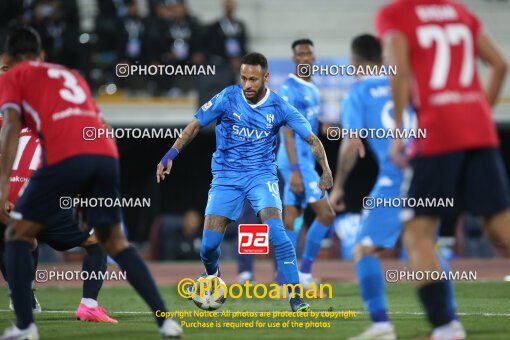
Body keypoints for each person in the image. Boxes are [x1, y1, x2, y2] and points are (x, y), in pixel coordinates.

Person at [0, 25, 182, 339]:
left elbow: (10, 129)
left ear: (11, 59)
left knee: (17, 235)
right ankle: (166, 321)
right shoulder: (71, 76)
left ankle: (26, 325)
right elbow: (97, 123)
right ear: (42, 54)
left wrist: (4, 183)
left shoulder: (14, 76)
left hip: (65, 156)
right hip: (105, 153)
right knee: (114, 243)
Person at [157, 52, 333, 312]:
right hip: (226, 178)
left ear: (266, 77)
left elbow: (312, 139)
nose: (248, 84)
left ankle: (296, 298)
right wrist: (171, 154)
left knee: (278, 234)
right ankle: (213, 276)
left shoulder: (279, 107)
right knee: (208, 247)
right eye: (244, 78)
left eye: (253, 79)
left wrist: (326, 170)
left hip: (262, 177)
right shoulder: (228, 97)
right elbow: (194, 125)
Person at [376, 0, 509, 338]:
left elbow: (400, 70)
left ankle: (445, 326)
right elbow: (499, 64)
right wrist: (478, 110)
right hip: (479, 129)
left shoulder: (396, 13)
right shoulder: (461, 12)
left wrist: (398, 133)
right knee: (500, 229)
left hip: (436, 132)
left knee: (418, 233)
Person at [329, 34, 461, 340]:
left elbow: (350, 145)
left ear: (353, 63)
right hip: (431, 171)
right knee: (424, 247)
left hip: (397, 178)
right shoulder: (404, 83)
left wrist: (338, 187)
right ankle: (449, 321)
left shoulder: (358, 94)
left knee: (363, 248)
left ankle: (381, 325)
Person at [276, 38, 335, 289]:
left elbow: (306, 122)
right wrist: (296, 172)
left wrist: (323, 126)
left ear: (313, 57)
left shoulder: (312, 89)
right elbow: (288, 131)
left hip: (304, 162)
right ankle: (304, 272)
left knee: (292, 217)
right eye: (299, 54)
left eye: (307, 54)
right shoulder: (288, 88)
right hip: (295, 164)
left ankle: (285, 278)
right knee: (326, 214)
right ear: (294, 59)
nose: (304, 58)